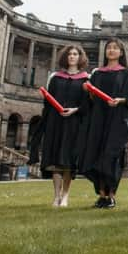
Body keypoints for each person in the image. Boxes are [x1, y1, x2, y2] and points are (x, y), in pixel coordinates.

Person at [29, 45, 89, 207]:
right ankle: (56, 196)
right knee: (55, 160)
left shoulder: (86, 79)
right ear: (65, 57)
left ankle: (65, 195)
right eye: (69, 54)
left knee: (68, 160)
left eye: (75, 54)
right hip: (56, 122)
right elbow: (47, 102)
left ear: (80, 57)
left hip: (74, 123)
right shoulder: (55, 77)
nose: (72, 57)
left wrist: (75, 110)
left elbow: (88, 104)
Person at [79, 38, 128, 209]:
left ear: (121, 52)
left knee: (112, 156)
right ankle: (102, 195)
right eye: (109, 48)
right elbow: (92, 99)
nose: (111, 50)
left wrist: (119, 100)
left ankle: (111, 196)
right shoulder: (97, 73)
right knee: (97, 153)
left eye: (115, 48)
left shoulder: (126, 73)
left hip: (117, 118)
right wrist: (88, 91)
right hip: (99, 118)